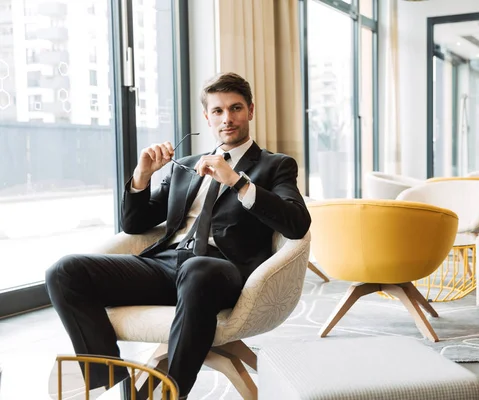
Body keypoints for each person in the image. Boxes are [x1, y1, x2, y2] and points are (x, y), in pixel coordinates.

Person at [45, 72, 311, 399]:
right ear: (207, 117)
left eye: (236, 108)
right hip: (165, 266)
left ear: (250, 111)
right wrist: (142, 175)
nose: (227, 118)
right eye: (218, 111)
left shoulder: (275, 165)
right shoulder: (186, 166)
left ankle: (170, 392)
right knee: (64, 271)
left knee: (198, 269)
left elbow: (297, 223)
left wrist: (237, 181)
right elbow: (136, 224)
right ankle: (106, 375)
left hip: (219, 270)